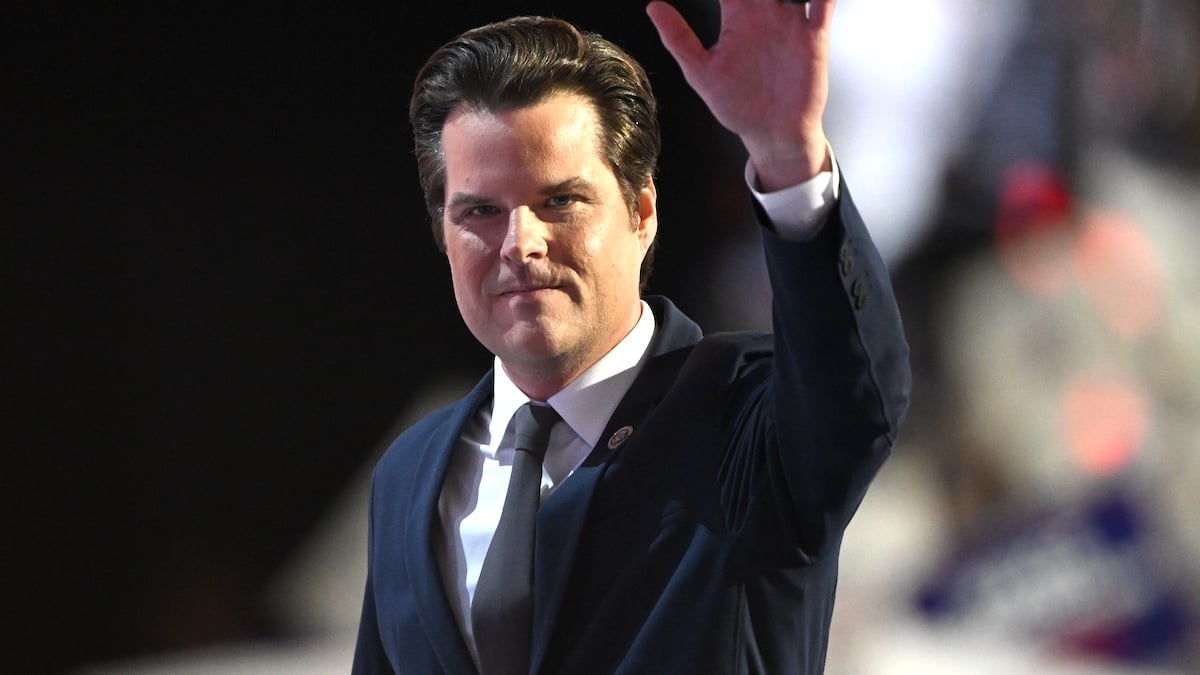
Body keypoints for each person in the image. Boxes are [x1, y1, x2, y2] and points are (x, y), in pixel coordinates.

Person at [353, 0, 910, 673]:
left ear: (642, 212)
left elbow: (856, 391)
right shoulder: (408, 475)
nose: (521, 244)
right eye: (480, 211)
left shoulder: (749, 418)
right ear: (443, 234)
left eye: (560, 200)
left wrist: (790, 162)